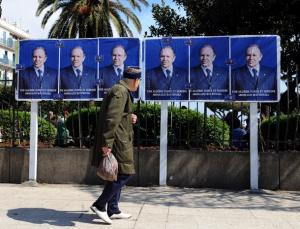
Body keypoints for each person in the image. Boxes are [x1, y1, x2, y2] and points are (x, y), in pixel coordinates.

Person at [91, 67, 141, 225]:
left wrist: (130, 116)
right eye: (139, 81)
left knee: (117, 172)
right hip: (118, 141)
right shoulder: (120, 92)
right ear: (134, 80)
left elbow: (119, 115)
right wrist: (107, 144)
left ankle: (113, 209)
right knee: (125, 173)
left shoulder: (121, 90)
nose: (139, 84)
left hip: (120, 138)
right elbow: (111, 119)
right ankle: (100, 205)